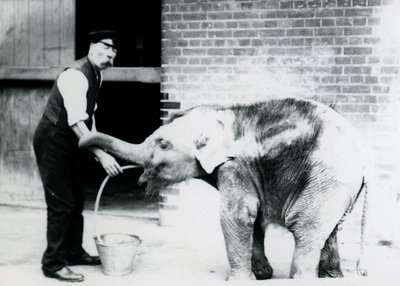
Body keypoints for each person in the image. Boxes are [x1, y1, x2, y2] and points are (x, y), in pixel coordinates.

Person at [33, 30, 124, 282]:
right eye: (105, 47)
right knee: (61, 202)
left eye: (114, 51)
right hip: (53, 139)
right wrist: (101, 154)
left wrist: (98, 148)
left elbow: (88, 117)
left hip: (72, 140)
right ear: (91, 46)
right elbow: (74, 122)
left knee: (75, 197)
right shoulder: (75, 75)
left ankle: (73, 252)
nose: (110, 54)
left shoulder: (96, 76)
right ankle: (52, 263)